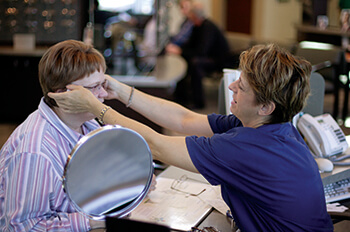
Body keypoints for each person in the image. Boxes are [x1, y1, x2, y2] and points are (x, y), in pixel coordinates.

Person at [49, 44, 334, 231]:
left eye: (242, 87)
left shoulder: (249, 149)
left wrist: (98, 108)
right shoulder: (270, 127)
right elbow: (184, 119)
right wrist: (120, 91)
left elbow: (154, 146)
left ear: (265, 106)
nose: (232, 86)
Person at [1, 40, 108, 231]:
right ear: (63, 95)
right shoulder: (35, 152)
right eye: (94, 87)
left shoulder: (88, 125)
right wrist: (92, 221)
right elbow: (23, 227)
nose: (104, 94)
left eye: (103, 84)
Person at [167, 1, 231, 109]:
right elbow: (192, 46)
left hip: (219, 60)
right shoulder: (198, 26)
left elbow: (201, 51)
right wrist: (180, 51)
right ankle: (181, 97)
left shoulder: (208, 27)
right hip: (208, 57)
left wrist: (181, 51)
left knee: (195, 63)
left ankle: (199, 102)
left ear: (194, 15)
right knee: (187, 60)